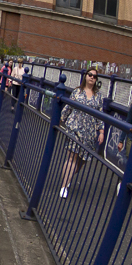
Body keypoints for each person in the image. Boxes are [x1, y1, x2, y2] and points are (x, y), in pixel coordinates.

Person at [58, 68, 105, 198]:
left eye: (95, 76)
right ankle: (64, 186)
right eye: (90, 75)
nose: (92, 77)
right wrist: (60, 120)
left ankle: (68, 178)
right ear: (85, 76)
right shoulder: (77, 92)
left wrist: (101, 132)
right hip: (74, 128)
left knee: (82, 161)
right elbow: (68, 107)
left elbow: (100, 115)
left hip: (89, 133)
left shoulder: (99, 96)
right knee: (71, 158)